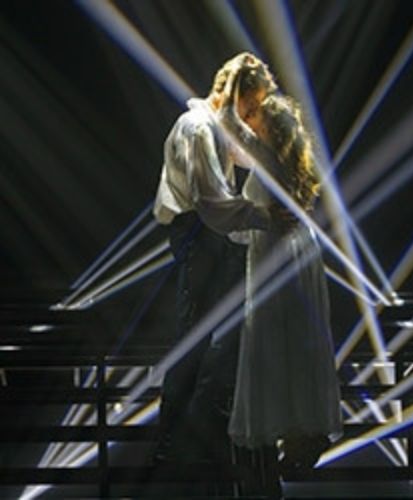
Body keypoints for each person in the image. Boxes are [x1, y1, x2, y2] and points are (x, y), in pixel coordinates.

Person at [151, 52, 280, 465]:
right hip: (197, 234)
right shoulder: (197, 128)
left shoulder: (217, 126)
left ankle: (200, 430)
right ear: (233, 94)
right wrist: (268, 217)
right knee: (195, 338)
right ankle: (171, 443)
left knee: (224, 333)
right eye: (251, 104)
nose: (252, 114)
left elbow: (248, 155)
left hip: (210, 235)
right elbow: (212, 202)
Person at [220, 89, 343, 468]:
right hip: (297, 253)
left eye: (255, 117)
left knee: (276, 339)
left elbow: (228, 126)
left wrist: (231, 89)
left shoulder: (268, 158)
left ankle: (293, 432)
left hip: (276, 256)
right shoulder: (288, 160)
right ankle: (300, 432)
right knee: (296, 341)